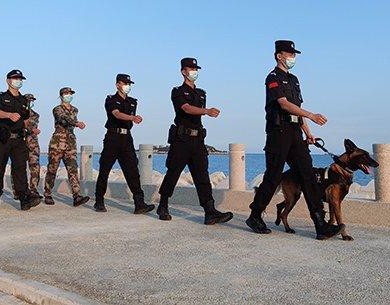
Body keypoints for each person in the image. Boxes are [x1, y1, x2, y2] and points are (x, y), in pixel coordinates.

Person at [245, 40, 342, 240]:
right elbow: (284, 104)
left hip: (295, 134)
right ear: (279, 56)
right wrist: (312, 116)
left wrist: (308, 131)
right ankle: (255, 215)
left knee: (307, 175)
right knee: (273, 176)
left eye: (294, 54)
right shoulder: (272, 78)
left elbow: (297, 110)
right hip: (278, 133)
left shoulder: (295, 79)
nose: (292, 58)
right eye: (289, 54)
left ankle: (320, 224)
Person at [157, 58, 233, 225]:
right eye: (190, 68)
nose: (194, 71)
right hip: (181, 139)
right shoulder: (177, 91)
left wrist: (204, 112)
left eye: (196, 68)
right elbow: (185, 108)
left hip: (198, 140)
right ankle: (163, 205)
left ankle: (210, 211)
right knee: (173, 172)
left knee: (202, 175)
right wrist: (206, 111)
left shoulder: (201, 93)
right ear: (183, 71)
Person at [94, 74, 155, 214]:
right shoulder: (111, 99)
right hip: (113, 137)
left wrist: (132, 119)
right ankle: (99, 201)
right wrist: (133, 117)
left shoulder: (133, 102)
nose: (128, 86)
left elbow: (127, 119)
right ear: (117, 85)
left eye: (129, 84)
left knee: (133, 171)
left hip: (127, 139)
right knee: (105, 169)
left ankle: (139, 204)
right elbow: (116, 114)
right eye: (125, 83)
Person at [0, 70, 41, 211]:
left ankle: (24, 199)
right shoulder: (1, 97)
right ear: (8, 80)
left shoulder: (24, 100)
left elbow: (25, 121)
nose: (18, 81)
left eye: (20, 79)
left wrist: (32, 129)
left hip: (19, 140)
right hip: (3, 139)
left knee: (20, 170)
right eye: (15, 78)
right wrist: (9, 114)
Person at [43, 87, 91, 207]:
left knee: (73, 169)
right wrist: (77, 123)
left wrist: (76, 124)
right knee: (52, 169)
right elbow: (62, 119)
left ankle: (76, 196)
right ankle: (48, 194)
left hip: (70, 143)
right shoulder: (57, 109)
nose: (69, 95)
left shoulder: (75, 110)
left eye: (70, 93)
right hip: (57, 143)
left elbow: (70, 120)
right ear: (61, 96)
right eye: (66, 93)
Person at [24, 93, 42, 197]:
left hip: (33, 144)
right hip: (20, 143)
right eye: (28, 100)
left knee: (35, 167)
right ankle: (17, 191)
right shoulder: (19, 114)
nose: (30, 102)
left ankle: (33, 190)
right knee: (19, 167)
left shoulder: (35, 115)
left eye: (32, 100)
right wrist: (31, 129)